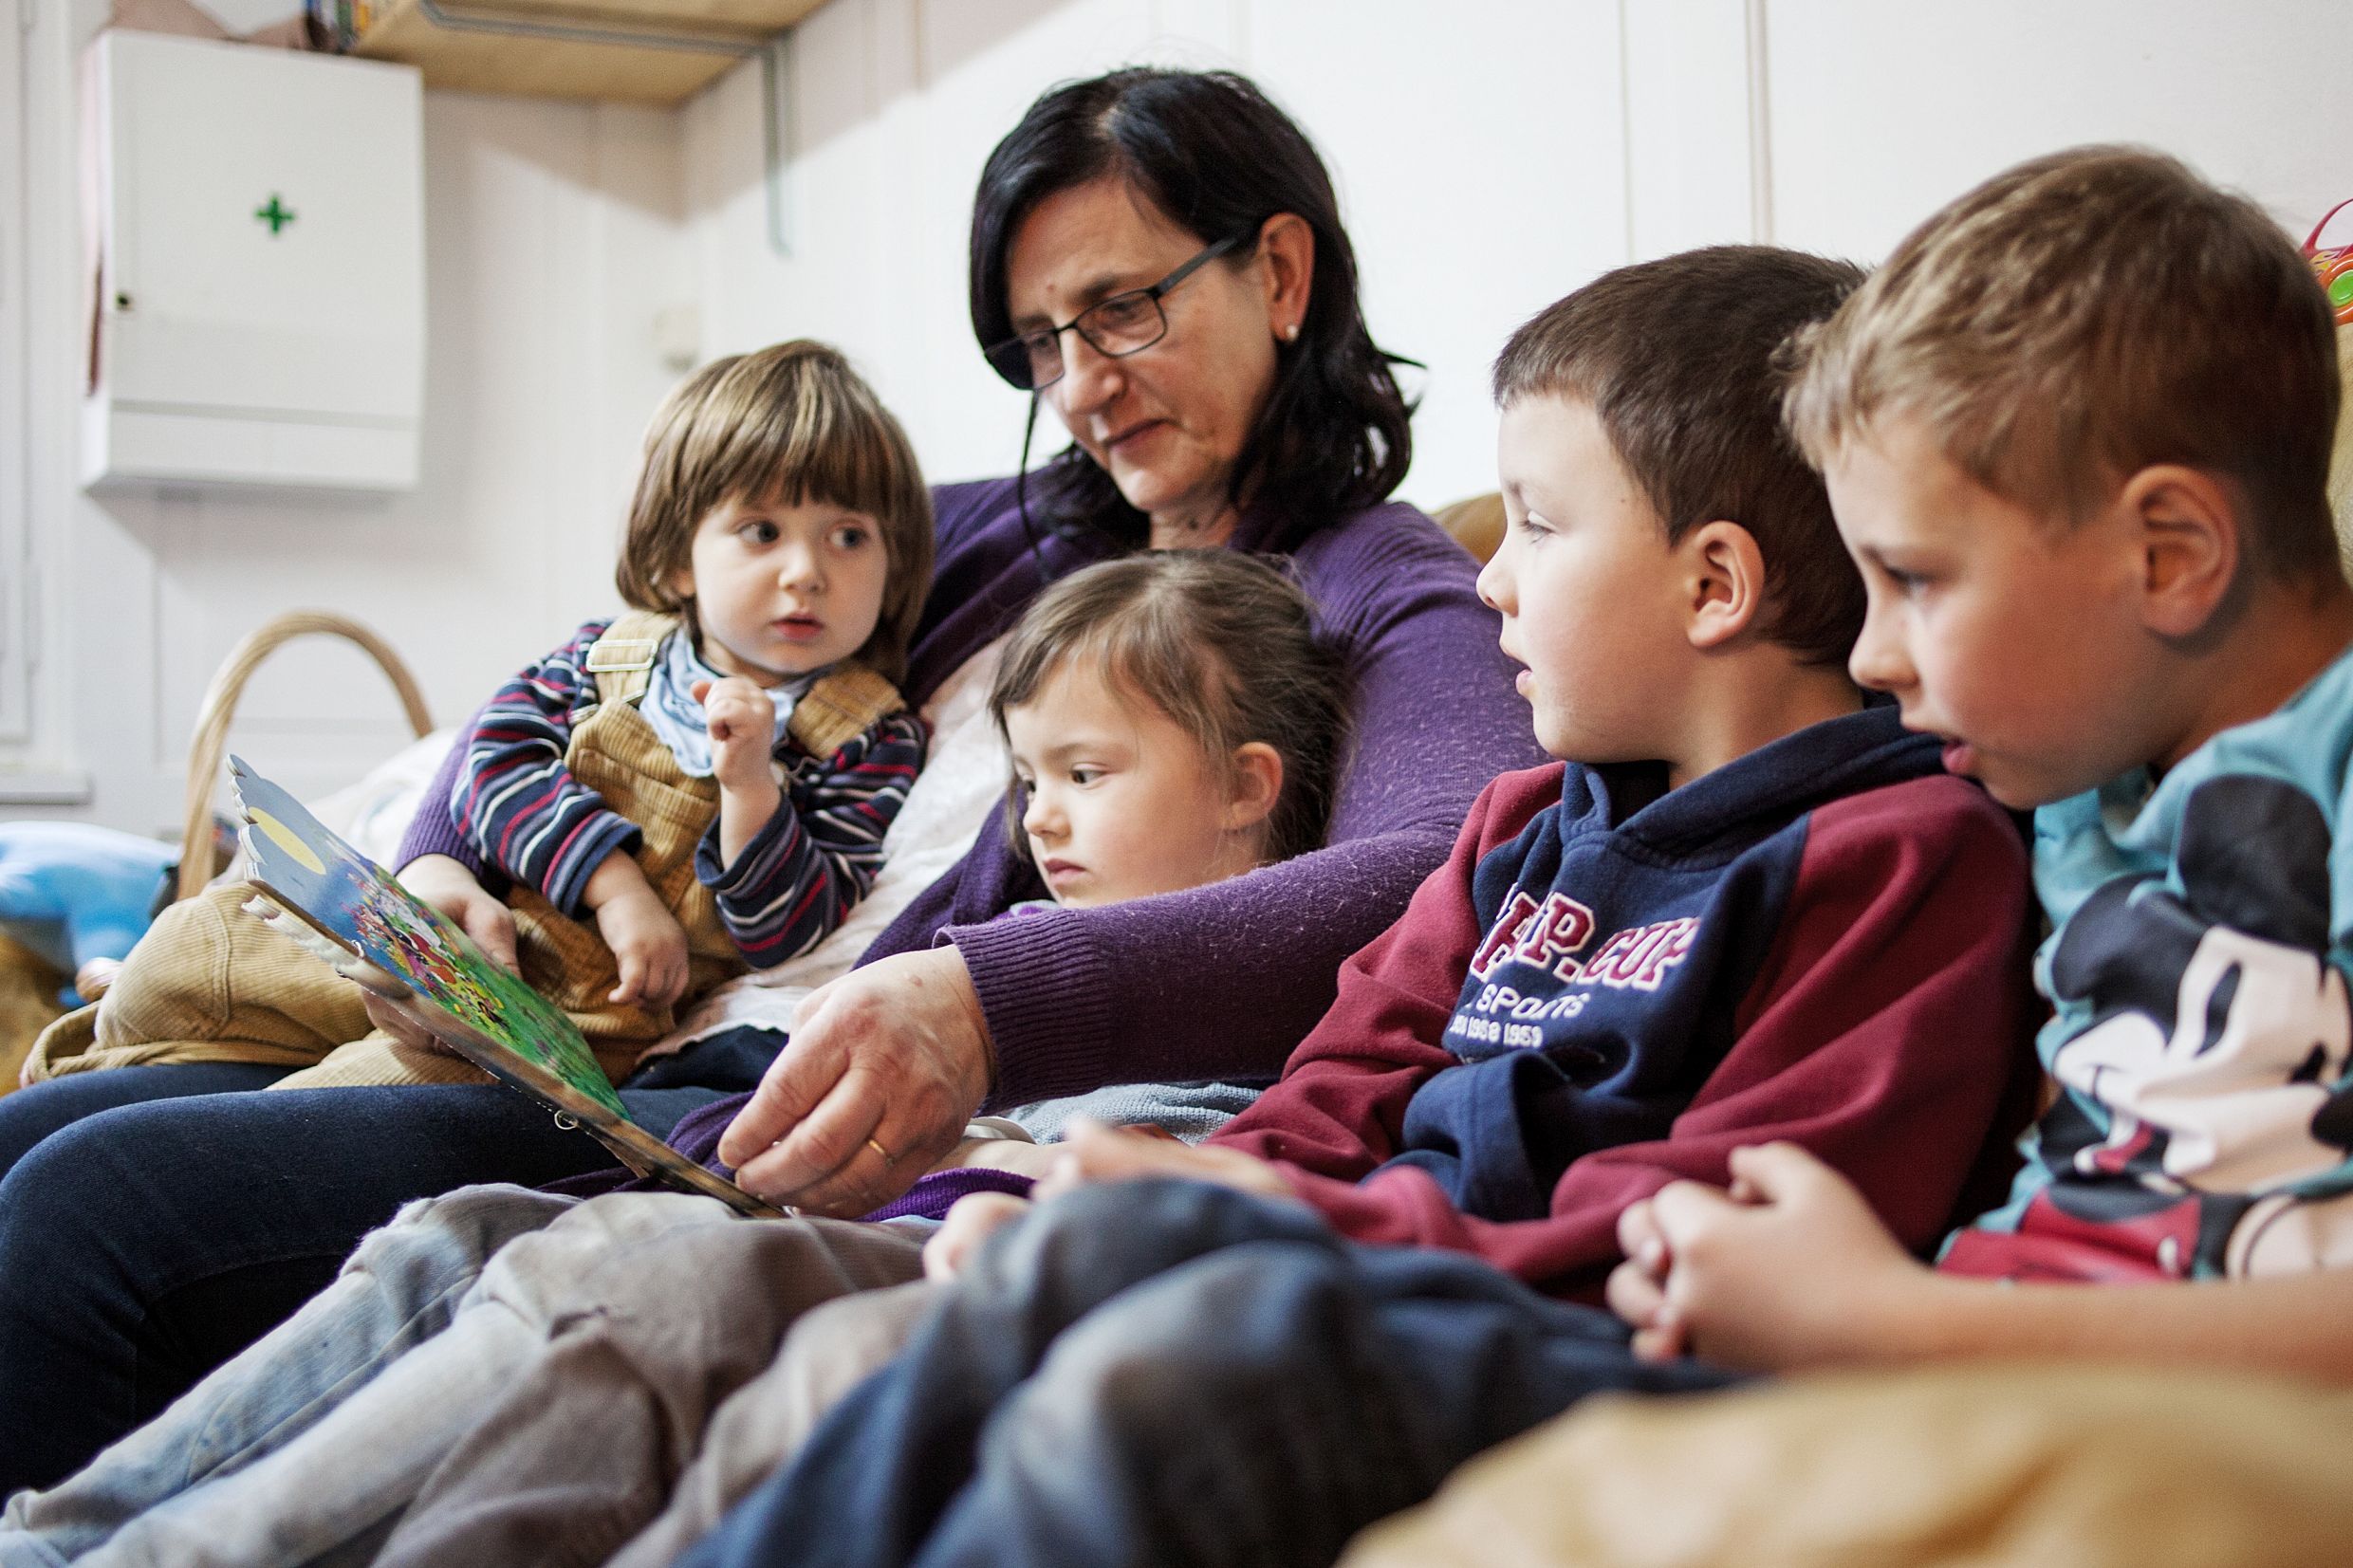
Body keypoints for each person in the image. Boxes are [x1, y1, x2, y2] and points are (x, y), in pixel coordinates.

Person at [687, 147, 2353, 1568]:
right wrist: (1189, 1188)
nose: (1877, 650)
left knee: (1207, 1352)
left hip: (1734, 1333)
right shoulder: (2060, 800)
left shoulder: (1943, 833)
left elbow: (1754, 1213)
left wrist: (1291, 1227)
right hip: (1775, 1314)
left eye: (1913, 579)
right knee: (1041, 1269)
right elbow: (1348, 1066)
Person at [0, 65, 1536, 1492]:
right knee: (31, 1148)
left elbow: (1439, 868)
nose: (1079, 386)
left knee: (94, 1216)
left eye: (1121, 310)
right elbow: (614, 659)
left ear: (1280, 272)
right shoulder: (985, 533)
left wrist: (989, 1003)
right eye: (1039, 341)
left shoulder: (1379, 587)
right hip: (607, 1025)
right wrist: (443, 862)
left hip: (730, 1107)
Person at [0, 547, 1357, 1568]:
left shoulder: (1248, 1018)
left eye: (1086, 777)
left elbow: (1122, 1180)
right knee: (457, 1230)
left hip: (867, 1246)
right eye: (1029, 781)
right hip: (722, 1158)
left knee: (559, 1270)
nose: (1040, 822)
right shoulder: (1008, 933)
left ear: (1249, 785)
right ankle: (58, 1538)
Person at [23, 341, 933, 1099]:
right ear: (680, 558)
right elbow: (489, 759)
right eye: (763, 531)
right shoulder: (605, 656)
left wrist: (751, 789)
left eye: (849, 536)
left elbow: (790, 928)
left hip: (570, 1018)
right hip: (451, 930)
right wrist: (614, 884)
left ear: (893, 562)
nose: (807, 571)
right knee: (196, 946)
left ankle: (146, 1112)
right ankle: (81, 1060)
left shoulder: (868, 734)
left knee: (335, 1102)